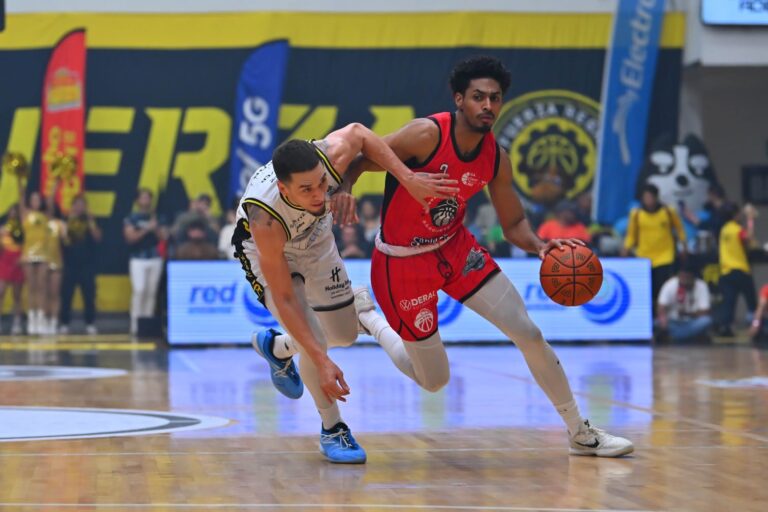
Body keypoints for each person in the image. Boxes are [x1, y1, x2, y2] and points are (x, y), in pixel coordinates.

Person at [342, 56, 633, 457]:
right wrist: (345, 186)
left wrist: (539, 245)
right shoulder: (426, 134)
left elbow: (514, 223)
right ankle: (369, 318)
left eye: (495, 98)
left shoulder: (496, 157)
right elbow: (362, 158)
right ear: (459, 99)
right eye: (478, 97)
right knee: (434, 381)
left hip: (455, 248)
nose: (487, 106)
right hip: (401, 263)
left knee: (528, 333)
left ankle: (579, 432)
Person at [232, 126, 457, 463]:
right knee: (318, 346)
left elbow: (360, 134)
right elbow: (285, 297)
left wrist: (404, 179)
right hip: (268, 254)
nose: (320, 195)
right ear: (283, 188)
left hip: (315, 238)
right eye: (306, 189)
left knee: (343, 335)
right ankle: (332, 427)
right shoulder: (265, 218)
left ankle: (277, 348)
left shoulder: (332, 155)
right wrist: (322, 361)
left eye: (323, 182)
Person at [622, 183, 687, 306]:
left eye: (650, 197)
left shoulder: (668, 211)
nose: (648, 200)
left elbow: (679, 229)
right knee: (646, 289)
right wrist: (626, 248)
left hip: (664, 256)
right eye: (645, 197)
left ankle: (661, 315)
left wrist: (683, 245)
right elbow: (631, 234)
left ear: (656, 197)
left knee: (662, 288)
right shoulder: (636, 214)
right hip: (644, 256)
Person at [124, 188, 166, 336]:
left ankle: (147, 325)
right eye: (143, 198)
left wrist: (155, 228)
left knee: (151, 292)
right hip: (138, 258)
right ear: (137, 201)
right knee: (139, 290)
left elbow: (164, 237)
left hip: (155, 258)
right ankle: (136, 323)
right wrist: (147, 229)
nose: (145, 201)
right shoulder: (132, 218)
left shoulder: (157, 217)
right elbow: (130, 238)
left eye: (148, 198)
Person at [59, 194, 102, 335]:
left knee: (89, 296)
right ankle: (64, 323)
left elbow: (97, 237)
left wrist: (91, 221)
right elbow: (64, 240)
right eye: (77, 204)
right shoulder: (65, 220)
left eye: (82, 204)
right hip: (70, 264)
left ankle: (90, 323)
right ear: (72, 206)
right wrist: (69, 221)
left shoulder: (89, 221)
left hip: (87, 265)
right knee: (66, 295)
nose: (79, 207)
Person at [717, 201, 757, 337]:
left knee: (729, 302)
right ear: (734, 215)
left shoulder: (724, 230)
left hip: (726, 271)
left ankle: (725, 328)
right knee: (751, 301)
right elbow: (749, 239)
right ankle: (757, 327)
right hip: (740, 270)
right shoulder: (737, 229)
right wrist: (750, 219)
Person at [17, 178, 50, 335]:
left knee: (42, 286)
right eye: (33, 199)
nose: (35, 201)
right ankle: (31, 318)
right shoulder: (25, 214)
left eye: (38, 199)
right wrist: (18, 179)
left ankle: (41, 317)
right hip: (29, 253)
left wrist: (56, 181)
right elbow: (20, 198)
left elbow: (50, 200)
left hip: (43, 253)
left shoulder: (46, 215)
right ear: (30, 201)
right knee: (31, 287)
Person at [656, 264, 713, 343]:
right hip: (673, 322)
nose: (685, 281)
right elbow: (661, 307)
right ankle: (686, 337)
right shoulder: (670, 284)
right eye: (682, 277)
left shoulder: (701, 286)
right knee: (655, 323)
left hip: (692, 322)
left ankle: (677, 337)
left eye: (687, 278)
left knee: (706, 321)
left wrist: (688, 314)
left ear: (693, 277)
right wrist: (664, 322)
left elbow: (705, 311)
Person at [0, 205, 25, 334]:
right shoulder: (3, 228)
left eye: (15, 211)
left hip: (18, 261)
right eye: (11, 212)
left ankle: (17, 321)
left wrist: (22, 258)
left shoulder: (23, 228)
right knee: (1, 291)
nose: (13, 214)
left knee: (17, 295)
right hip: (5, 261)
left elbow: (26, 244)